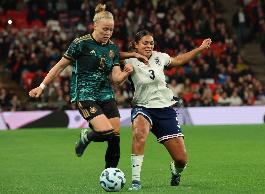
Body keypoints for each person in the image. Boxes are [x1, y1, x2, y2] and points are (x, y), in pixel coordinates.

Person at [29, 4, 146, 169]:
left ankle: (110, 173)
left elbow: (116, 79)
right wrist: (41, 86)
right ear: (95, 25)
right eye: (105, 29)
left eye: (111, 30)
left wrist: (126, 72)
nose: (108, 33)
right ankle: (87, 136)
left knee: (115, 137)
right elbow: (60, 66)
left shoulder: (112, 48)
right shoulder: (81, 43)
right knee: (106, 132)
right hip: (85, 95)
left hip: (105, 94)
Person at [124, 30, 212, 190]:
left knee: (181, 159)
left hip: (165, 109)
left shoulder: (160, 57)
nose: (149, 46)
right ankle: (135, 181)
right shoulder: (128, 60)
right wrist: (126, 66)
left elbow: (178, 60)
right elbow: (110, 56)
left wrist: (199, 49)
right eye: (145, 42)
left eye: (151, 43)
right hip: (142, 106)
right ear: (136, 45)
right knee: (139, 134)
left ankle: (176, 172)